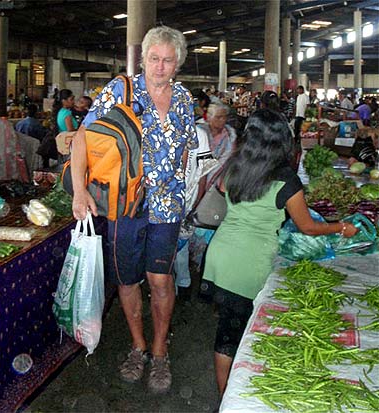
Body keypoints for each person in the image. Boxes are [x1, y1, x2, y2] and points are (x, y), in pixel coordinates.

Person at [70, 25, 197, 394]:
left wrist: (180, 188)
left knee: (160, 279)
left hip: (167, 207)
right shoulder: (120, 91)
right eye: (153, 59)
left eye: (167, 61)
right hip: (125, 205)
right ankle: (138, 346)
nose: (159, 67)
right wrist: (80, 191)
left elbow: (188, 147)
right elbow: (83, 137)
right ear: (143, 59)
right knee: (127, 279)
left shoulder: (185, 99)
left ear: (178, 64)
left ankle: (159, 351)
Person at [202, 109, 359, 399]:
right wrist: (342, 227)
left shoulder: (235, 165)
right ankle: (237, 399)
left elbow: (222, 188)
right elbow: (308, 227)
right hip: (251, 266)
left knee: (227, 332)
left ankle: (226, 395)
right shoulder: (286, 179)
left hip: (221, 257)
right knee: (250, 334)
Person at [174, 103, 236, 292]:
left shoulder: (228, 137)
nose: (221, 121)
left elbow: (208, 170)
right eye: (218, 117)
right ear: (208, 117)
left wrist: (202, 196)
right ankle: (182, 281)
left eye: (224, 117)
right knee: (180, 240)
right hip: (187, 195)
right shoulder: (198, 132)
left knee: (204, 232)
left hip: (212, 193)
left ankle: (198, 276)